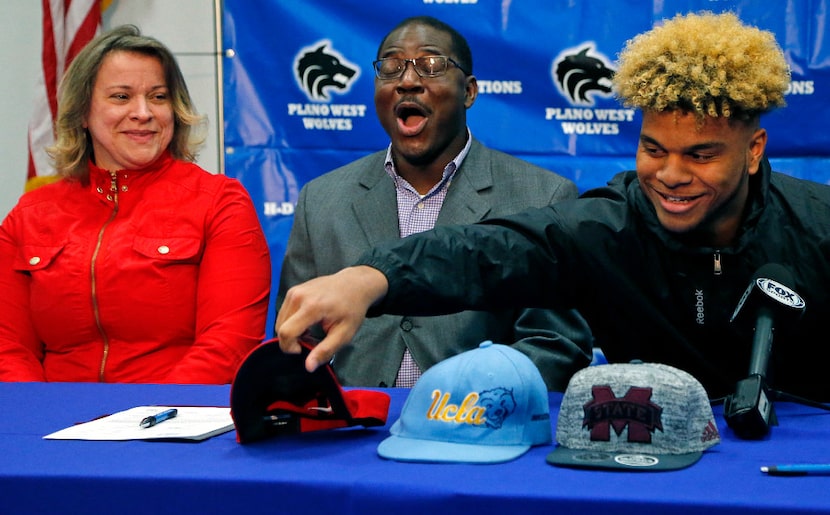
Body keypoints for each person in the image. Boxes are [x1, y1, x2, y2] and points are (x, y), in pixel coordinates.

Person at [276, 11, 830, 402]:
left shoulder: (818, 225)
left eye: (701, 155)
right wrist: (371, 278)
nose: (671, 175)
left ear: (754, 151)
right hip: (654, 463)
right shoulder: (607, 226)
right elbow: (489, 251)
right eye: (654, 149)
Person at [276, 16, 593, 390]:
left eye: (431, 65)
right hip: (354, 433)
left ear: (469, 92)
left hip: (478, 431)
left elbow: (555, 348)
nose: (407, 81)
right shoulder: (322, 199)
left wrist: (468, 402)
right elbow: (295, 340)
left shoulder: (542, 197)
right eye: (392, 67)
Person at [0, 25, 271, 383]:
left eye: (158, 97)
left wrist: (147, 420)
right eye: (121, 97)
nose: (143, 112)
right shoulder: (29, 214)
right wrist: (37, 421)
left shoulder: (220, 202)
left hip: (172, 423)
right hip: (51, 426)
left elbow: (228, 345)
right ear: (82, 112)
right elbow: (9, 348)